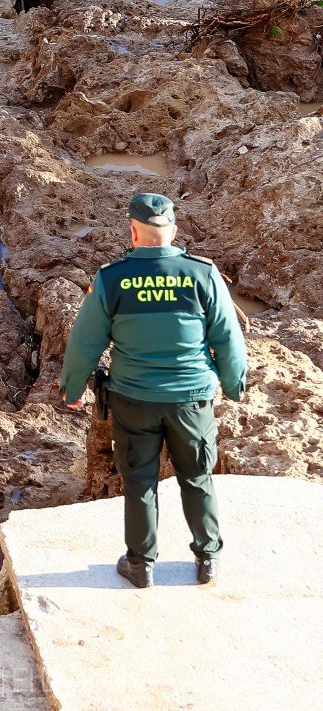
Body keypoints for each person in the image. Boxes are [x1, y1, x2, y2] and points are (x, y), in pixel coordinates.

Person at [59, 191, 247, 589]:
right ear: (173, 232)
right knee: (197, 477)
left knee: (140, 483)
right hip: (191, 401)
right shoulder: (202, 274)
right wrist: (233, 385)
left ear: (133, 233)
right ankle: (208, 559)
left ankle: (141, 565)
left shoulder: (111, 278)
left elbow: (85, 341)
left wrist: (72, 388)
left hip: (134, 400)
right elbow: (228, 337)